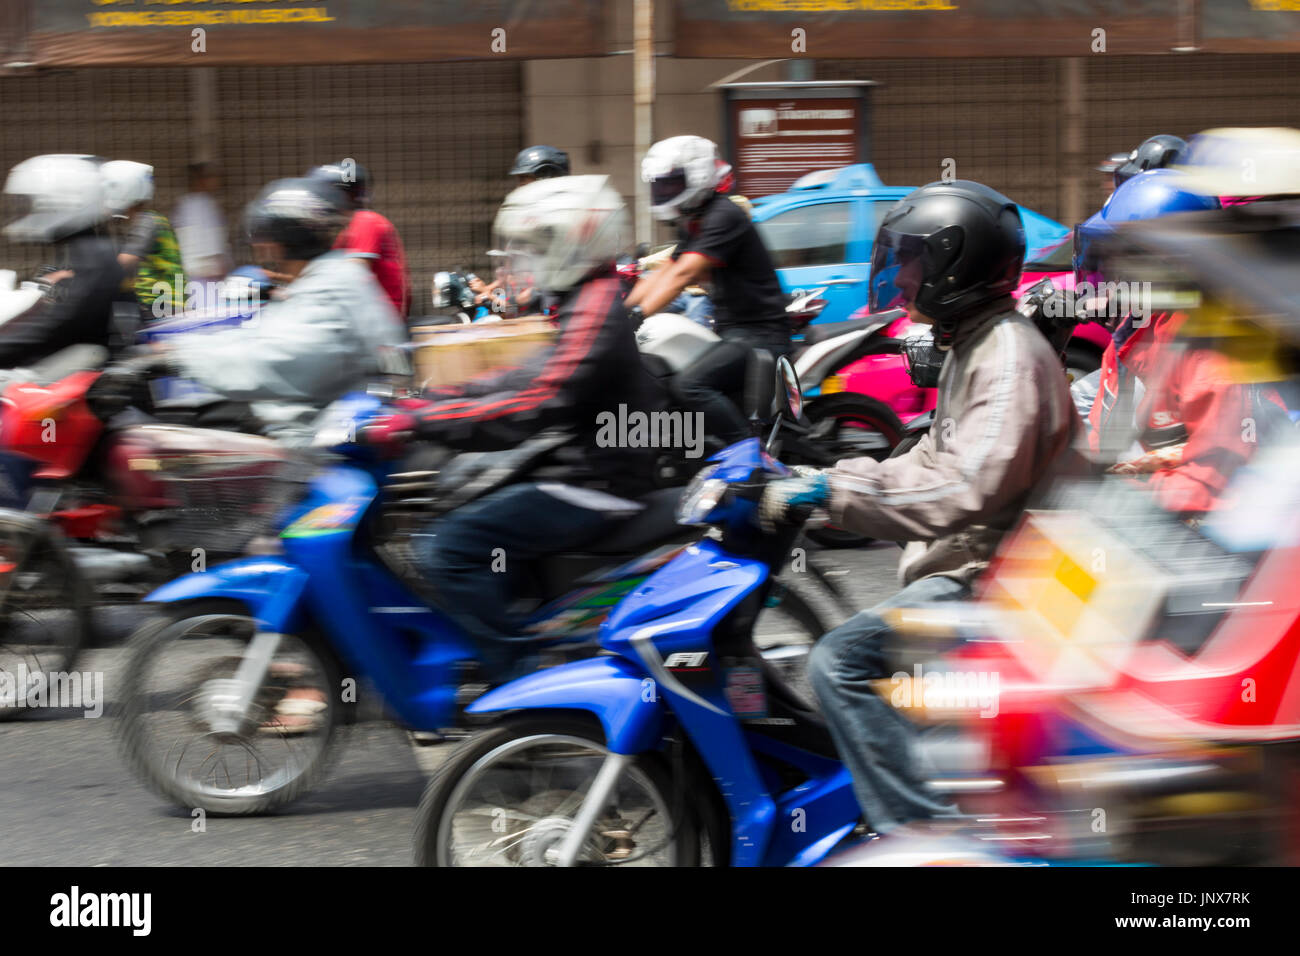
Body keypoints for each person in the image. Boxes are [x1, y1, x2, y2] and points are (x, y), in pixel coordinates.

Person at [759, 180, 1080, 837]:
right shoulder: (976, 342)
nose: (899, 274)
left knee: (839, 663)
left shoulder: (1008, 360)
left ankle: (923, 837)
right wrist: (827, 476)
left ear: (953, 266)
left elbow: (961, 488)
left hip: (1002, 585)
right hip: (979, 567)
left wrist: (833, 494)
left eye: (913, 259)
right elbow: (929, 461)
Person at [359, 175, 666, 681]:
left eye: (536, 247)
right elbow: (527, 376)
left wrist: (422, 421)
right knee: (449, 499)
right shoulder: (587, 296)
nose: (523, 260)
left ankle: (519, 676)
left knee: (445, 548)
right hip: (579, 462)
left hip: (595, 479)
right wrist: (434, 398)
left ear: (571, 244)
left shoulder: (595, 306)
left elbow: (538, 400)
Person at [147, 177, 404, 438]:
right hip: (322, 426)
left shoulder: (329, 288)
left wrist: (178, 360)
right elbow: (257, 338)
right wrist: (176, 349)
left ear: (279, 240)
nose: (261, 246)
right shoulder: (325, 277)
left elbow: (275, 360)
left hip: (322, 445)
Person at [628, 135, 790, 444]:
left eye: (672, 183)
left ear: (698, 176)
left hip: (760, 335)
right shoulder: (699, 221)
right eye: (660, 184)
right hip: (732, 331)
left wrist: (637, 314)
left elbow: (685, 273)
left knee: (689, 385)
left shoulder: (723, 215)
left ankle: (749, 459)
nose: (663, 191)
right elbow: (666, 270)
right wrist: (620, 308)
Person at [0, 154, 129, 370]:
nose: (26, 211)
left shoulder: (94, 258)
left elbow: (55, 325)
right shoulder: (89, 251)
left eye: (31, 203)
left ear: (60, 200)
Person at [307, 161, 410, 320]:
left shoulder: (365, 221)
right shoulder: (349, 229)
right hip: (366, 319)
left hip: (378, 325)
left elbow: (352, 276)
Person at [100, 160, 185, 318]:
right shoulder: (136, 222)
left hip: (160, 309)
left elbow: (124, 262)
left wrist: (76, 276)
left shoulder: (148, 222)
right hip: (151, 306)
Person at [172, 161, 230, 312]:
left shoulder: (192, 204)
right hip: (203, 279)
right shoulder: (197, 206)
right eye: (211, 177)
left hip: (200, 279)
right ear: (200, 179)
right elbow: (201, 245)